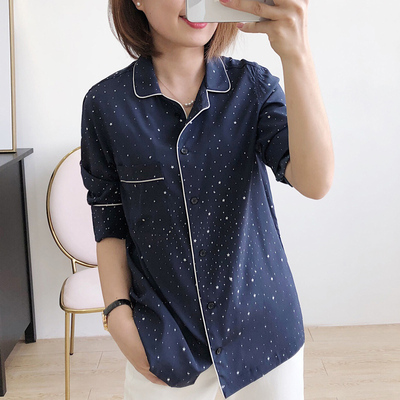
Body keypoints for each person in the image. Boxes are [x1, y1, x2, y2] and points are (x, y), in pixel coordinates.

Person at [80, 0, 334, 398]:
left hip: (263, 333)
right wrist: (117, 317)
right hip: (164, 341)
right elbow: (109, 219)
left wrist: (296, 54)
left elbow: (315, 182)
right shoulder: (106, 105)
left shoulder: (253, 87)